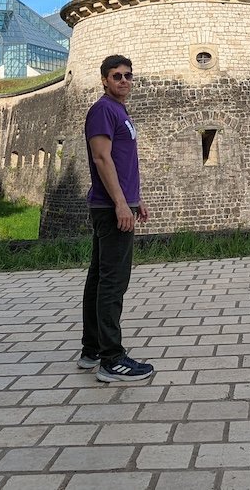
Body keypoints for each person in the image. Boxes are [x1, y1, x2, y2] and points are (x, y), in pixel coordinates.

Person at [79, 54, 155, 383]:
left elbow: (123, 163)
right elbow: (101, 158)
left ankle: (92, 350)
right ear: (104, 80)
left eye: (127, 75)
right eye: (116, 76)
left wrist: (136, 200)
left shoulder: (120, 111)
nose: (123, 80)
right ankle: (112, 359)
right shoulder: (102, 110)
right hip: (110, 209)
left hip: (117, 205)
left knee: (99, 279)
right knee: (113, 282)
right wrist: (121, 205)